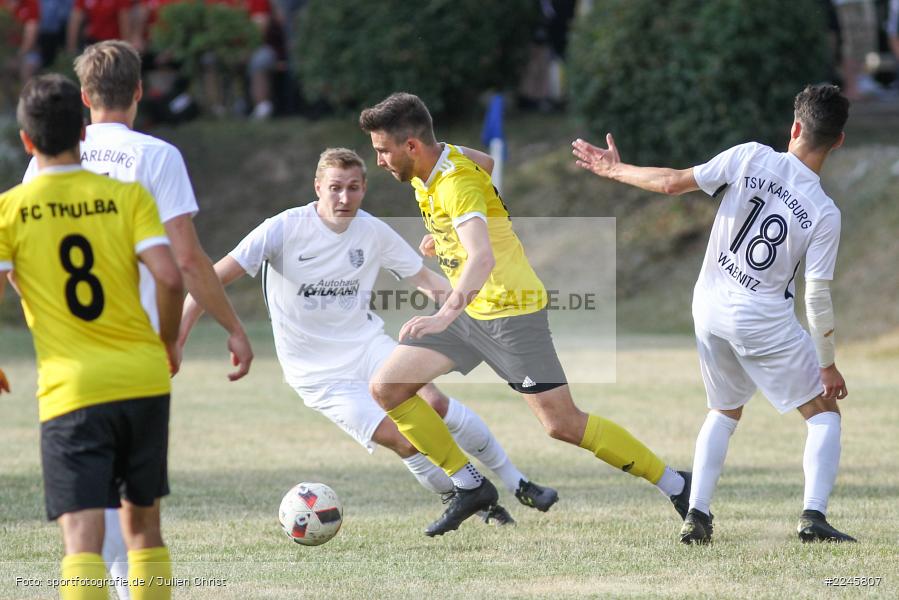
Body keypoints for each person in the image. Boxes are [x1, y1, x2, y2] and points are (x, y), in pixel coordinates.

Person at [358, 92, 690, 537]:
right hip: (471, 311)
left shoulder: (455, 182)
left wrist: (441, 316)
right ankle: (469, 486)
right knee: (388, 387)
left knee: (563, 425)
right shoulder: (435, 165)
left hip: (511, 314)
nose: (379, 160)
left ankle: (676, 484)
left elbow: (482, 258)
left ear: (412, 146)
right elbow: (487, 164)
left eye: (383, 150)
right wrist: (448, 235)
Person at [179, 147, 559, 525]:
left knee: (435, 402)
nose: (344, 198)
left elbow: (426, 280)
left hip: (366, 345)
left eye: (353, 188)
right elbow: (207, 281)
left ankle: (517, 481)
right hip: (316, 374)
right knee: (405, 441)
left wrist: (481, 316)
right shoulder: (282, 228)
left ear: (364, 189)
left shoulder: (371, 230)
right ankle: (480, 502)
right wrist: (177, 341)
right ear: (318, 187)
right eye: (335, 187)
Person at [572, 83, 854, 544]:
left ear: (795, 128)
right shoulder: (824, 212)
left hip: (708, 306)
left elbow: (671, 183)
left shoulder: (750, 156)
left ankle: (697, 514)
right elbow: (817, 295)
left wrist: (615, 168)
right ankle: (813, 517)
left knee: (723, 410)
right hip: (761, 317)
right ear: (838, 141)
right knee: (824, 413)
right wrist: (827, 364)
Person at [23, 39, 254, 600]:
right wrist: (226, 327)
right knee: (140, 522)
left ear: (84, 97)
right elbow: (185, 263)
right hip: (140, 357)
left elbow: (27, 260)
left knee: (84, 532)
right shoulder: (156, 157)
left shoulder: (42, 165)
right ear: (140, 92)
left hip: (70, 365)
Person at [0, 73, 182, 600]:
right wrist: (167, 341)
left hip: (72, 390)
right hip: (143, 377)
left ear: (27, 141)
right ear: (83, 133)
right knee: (143, 527)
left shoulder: (10, 210)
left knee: (82, 540)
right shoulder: (126, 196)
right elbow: (170, 278)